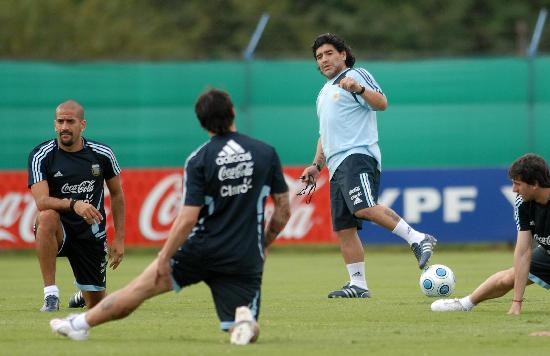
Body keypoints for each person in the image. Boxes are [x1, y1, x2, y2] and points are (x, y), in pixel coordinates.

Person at [49, 88, 291, 344]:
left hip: (201, 249)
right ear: (232, 112)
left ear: (201, 122)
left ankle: (79, 324)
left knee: (138, 290)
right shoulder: (266, 153)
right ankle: (244, 319)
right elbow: (283, 211)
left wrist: (164, 256)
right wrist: (262, 244)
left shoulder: (198, 159)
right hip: (244, 255)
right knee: (242, 323)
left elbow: (187, 218)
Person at [300, 33, 436, 299]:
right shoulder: (324, 93)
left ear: (343, 54)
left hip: (357, 155)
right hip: (336, 164)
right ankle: (358, 285)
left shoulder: (357, 75)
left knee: (363, 207)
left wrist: (358, 89)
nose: (324, 60)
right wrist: (317, 165)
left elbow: (382, 103)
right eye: (319, 57)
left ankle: (419, 238)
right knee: (343, 228)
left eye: (329, 53)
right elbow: (325, 134)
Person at [28, 100, 125, 312]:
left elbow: (117, 194)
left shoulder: (102, 153)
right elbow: (41, 201)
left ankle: (84, 292)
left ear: (82, 125)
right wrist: (74, 204)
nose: (64, 126)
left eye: (70, 121)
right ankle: (51, 295)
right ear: (55, 124)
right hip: (58, 230)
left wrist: (119, 238)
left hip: (90, 233)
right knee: (46, 216)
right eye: (60, 121)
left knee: (98, 305)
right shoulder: (41, 155)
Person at [432, 153, 550, 315]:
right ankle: (465, 304)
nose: (514, 190)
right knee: (509, 277)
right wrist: (516, 303)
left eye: (518, 184)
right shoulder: (523, 203)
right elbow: (523, 252)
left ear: (535, 184)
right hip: (547, 253)